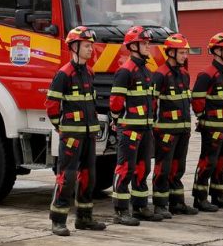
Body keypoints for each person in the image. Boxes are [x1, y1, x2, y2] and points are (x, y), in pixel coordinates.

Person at [46, 26, 106, 234]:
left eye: (91, 45)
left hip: (89, 133)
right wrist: (61, 127)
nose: (91, 49)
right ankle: (58, 219)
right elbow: (52, 105)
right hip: (71, 134)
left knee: (89, 175)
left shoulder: (89, 72)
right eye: (87, 46)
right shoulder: (64, 74)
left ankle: (84, 218)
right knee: (67, 176)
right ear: (74, 47)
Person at [109, 25, 158, 225]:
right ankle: (121, 211)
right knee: (125, 168)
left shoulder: (146, 71)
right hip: (129, 128)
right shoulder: (125, 71)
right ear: (133, 46)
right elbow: (116, 102)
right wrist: (117, 120)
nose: (148, 46)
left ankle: (140, 206)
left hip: (145, 128)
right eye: (144, 43)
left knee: (143, 167)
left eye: (147, 43)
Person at [192, 32, 223, 212]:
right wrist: (203, 118)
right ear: (216, 51)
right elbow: (197, 99)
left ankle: (218, 196)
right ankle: (200, 197)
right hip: (212, 127)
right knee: (208, 162)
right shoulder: (206, 74)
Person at [152, 33, 197, 219]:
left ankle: (177, 202)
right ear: (170, 52)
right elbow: (153, 103)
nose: (185, 56)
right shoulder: (160, 75)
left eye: (186, 52)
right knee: (164, 167)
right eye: (182, 52)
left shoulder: (184, 74)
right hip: (165, 130)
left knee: (179, 167)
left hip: (183, 129)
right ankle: (160, 205)